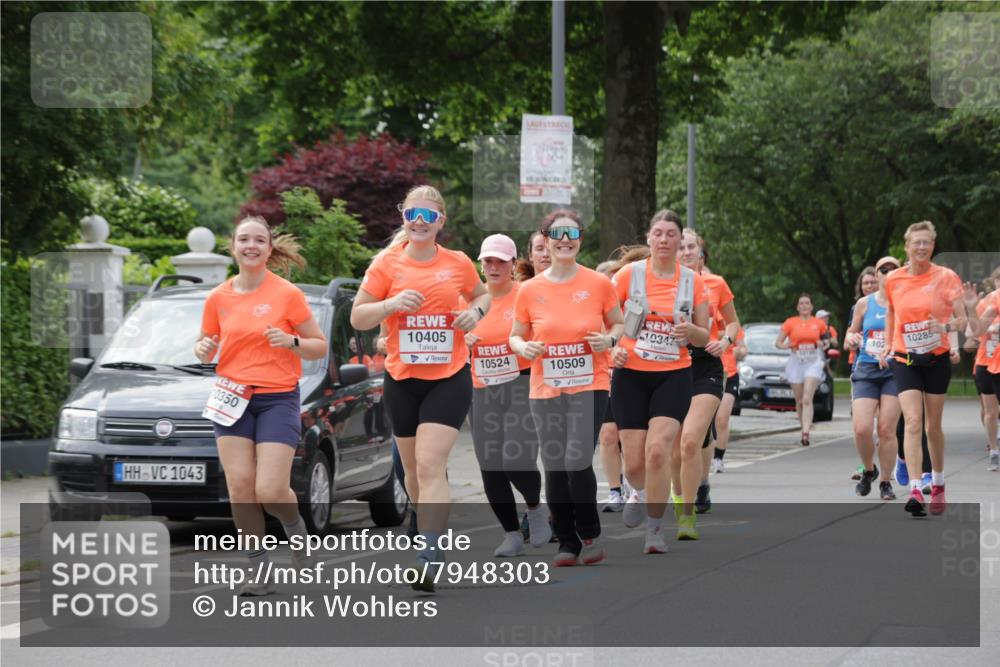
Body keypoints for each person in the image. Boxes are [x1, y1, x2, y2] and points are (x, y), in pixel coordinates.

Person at [350, 185, 490, 590]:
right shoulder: (386, 265)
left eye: (428, 216)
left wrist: (474, 314)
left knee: (429, 465)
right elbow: (359, 317)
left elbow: (482, 296)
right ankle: (428, 527)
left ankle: (429, 555)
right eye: (412, 214)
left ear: (440, 222)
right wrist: (391, 306)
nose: (419, 222)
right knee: (411, 471)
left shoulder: (458, 263)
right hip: (402, 379)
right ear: (404, 217)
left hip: (448, 377)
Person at [196, 216, 329, 596]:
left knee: (270, 489)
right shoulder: (218, 297)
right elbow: (205, 343)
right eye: (244, 239)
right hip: (231, 398)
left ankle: (296, 531)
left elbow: (317, 344)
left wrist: (291, 342)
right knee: (240, 488)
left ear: (270, 249)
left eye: (259, 240)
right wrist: (203, 348)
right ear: (233, 246)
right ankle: (258, 569)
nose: (251, 245)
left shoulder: (287, 294)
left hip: (276, 398)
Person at [510, 209, 624, 566]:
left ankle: (589, 532)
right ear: (545, 240)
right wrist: (523, 348)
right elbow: (515, 335)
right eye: (556, 234)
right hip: (546, 386)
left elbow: (618, 324)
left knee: (576, 459)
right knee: (554, 463)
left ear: (579, 241)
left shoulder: (599, 284)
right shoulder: (529, 290)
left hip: (590, 382)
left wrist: (609, 339)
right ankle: (568, 542)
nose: (564, 240)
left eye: (571, 234)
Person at [609, 212, 710, 550]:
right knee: (635, 462)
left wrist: (690, 331)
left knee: (657, 452)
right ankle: (636, 489)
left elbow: (703, 334)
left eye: (671, 234)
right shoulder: (627, 275)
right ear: (649, 238)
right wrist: (614, 350)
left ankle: (654, 529)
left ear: (680, 241)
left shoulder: (692, 280)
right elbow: (604, 321)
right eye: (658, 233)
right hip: (631, 375)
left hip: (673, 374)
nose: (664, 240)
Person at [878, 220, 975, 517]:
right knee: (912, 422)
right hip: (905, 357)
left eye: (927, 243)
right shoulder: (894, 279)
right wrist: (888, 344)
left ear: (933, 246)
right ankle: (917, 489)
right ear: (906, 247)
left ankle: (940, 482)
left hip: (936, 357)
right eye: (916, 242)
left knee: (933, 426)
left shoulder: (946, 277)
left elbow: (962, 321)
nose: (921, 247)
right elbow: (892, 313)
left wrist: (943, 326)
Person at [465, 234, 551, 556]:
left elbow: (548, 329)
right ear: (480, 264)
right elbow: (450, 345)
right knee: (489, 464)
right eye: (488, 260)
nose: (494, 266)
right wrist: (464, 343)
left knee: (515, 459)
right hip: (482, 388)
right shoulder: (470, 300)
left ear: (514, 264)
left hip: (521, 382)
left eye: (501, 260)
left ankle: (534, 507)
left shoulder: (526, 295)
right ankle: (511, 533)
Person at [673, 228, 739, 527]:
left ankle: (694, 497)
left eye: (692, 247)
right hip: (671, 364)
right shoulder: (662, 284)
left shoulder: (716, 283)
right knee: (676, 444)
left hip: (706, 364)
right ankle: (682, 494)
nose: (686, 252)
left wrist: (725, 341)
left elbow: (733, 323)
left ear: (701, 254)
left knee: (692, 438)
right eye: (681, 247)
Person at [844, 256, 902, 500]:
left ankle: (886, 483)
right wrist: (851, 339)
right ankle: (869, 470)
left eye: (893, 269)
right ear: (876, 275)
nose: (887, 273)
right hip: (866, 369)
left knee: (887, 429)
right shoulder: (864, 304)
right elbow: (851, 333)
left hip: (895, 371)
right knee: (861, 429)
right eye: (883, 270)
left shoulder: (904, 302)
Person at [596, 247, 648, 512]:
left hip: (635, 375)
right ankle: (615, 490)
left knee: (633, 441)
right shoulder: (594, 304)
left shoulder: (635, 304)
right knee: (607, 434)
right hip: (605, 376)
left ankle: (637, 485)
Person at [775, 294, 830, 446]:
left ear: (811, 307)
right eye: (801, 303)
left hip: (813, 361)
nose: (804, 306)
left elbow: (827, 342)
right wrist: (786, 345)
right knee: (799, 401)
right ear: (798, 307)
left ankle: (806, 433)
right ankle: (803, 427)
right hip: (796, 361)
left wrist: (822, 343)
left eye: (807, 303)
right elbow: (778, 342)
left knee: (807, 398)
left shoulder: (818, 323)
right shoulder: (790, 323)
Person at [846, 267, 880, 480]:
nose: (869, 286)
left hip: (887, 369)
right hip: (861, 366)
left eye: (872, 282)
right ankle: (866, 463)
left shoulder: (891, 305)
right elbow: (849, 336)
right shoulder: (858, 307)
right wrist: (852, 339)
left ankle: (887, 461)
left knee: (884, 424)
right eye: (865, 283)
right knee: (861, 424)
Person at [968, 268, 1000, 471]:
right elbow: (973, 333)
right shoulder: (989, 302)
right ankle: (994, 450)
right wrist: (971, 309)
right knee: (989, 411)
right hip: (986, 362)